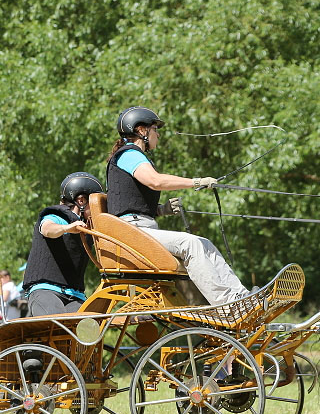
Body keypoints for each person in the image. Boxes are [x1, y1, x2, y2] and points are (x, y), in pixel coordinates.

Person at [106, 106, 248, 305]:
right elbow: (155, 181)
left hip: (139, 229)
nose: (158, 135)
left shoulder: (132, 156)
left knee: (204, 243)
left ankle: (241, 297)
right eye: (155, 129)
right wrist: (196, 182)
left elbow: (131, 203)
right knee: (190, 244)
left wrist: (160, 210)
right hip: (131, 232)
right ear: (141, 130)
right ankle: (226, 304)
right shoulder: (129, 155)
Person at [23, 172, 102, 316]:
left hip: (75, 296)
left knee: (92, 326)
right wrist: (67, 228)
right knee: (58, 323)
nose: (99, 208)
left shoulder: (88, 227)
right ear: (81, 201)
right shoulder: (58, 216)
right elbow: (47, 229)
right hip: (46, 291)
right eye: (96, 202)